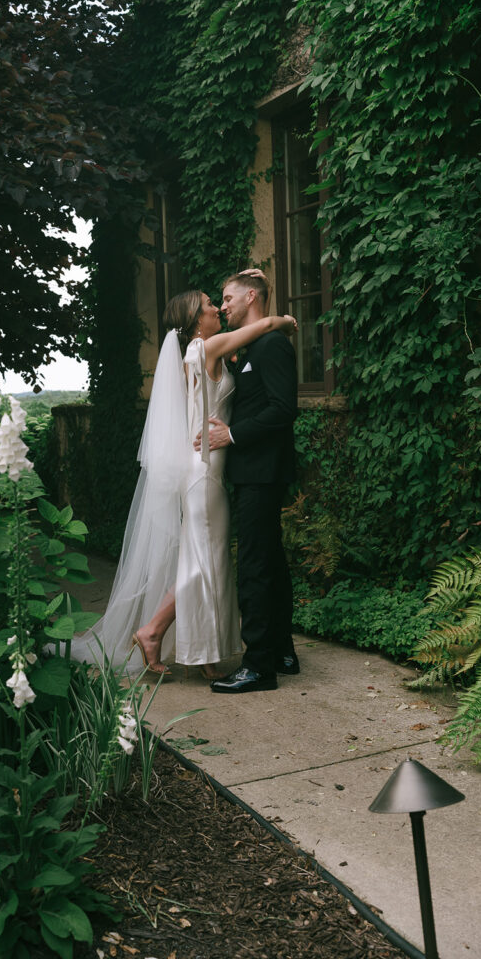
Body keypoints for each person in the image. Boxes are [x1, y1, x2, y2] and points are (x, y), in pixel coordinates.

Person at [69, 287, 298, 679]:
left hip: (209, 471)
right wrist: (284, 319)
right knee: (205, 563)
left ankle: (173, 639)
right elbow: (267, 324)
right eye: (212, 305)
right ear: (195, 319)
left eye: (222, 302)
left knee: (203, 561)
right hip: (204, 471)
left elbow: (252, 323)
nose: (218, 310)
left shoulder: (212, 350)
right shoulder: (200, 349)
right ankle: (162, 635)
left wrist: (263, 290)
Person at [194, 269, 299, 694]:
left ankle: (258, 667)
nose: (223, 306)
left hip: (262, 469)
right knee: (270, 560)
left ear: (251, 295)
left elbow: (282, 409)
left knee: (255, 565)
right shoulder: (253, 342)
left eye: (228, 297)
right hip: (256, 470)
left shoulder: (272, 345)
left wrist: (231, 434)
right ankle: (281, 651)